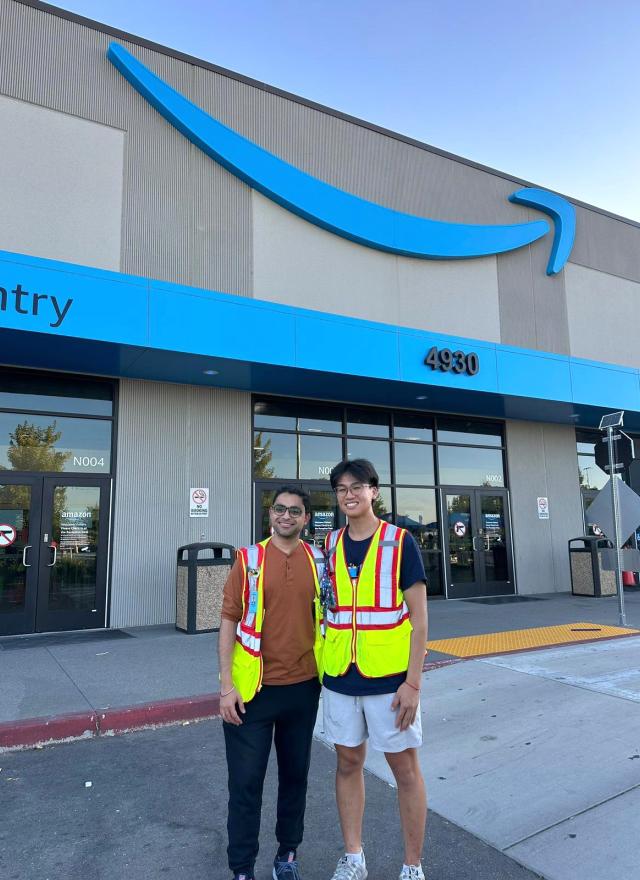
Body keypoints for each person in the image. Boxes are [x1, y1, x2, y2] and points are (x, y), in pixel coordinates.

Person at [322, 459, 429, 880]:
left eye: (357, 486)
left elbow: (420, 621)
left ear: (374, 491)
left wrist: (413, 684)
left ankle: (412, 866)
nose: (349, 494)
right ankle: (354, 858)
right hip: (340, 677)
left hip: (390, 682)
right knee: (347, 763)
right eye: (341, 488)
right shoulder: (329, 545)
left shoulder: (401, 543)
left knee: (404, 769)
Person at [219, 485, 325, 880]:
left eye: (294, 511)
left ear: (306, 518)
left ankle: (287, 856)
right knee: (245, 784)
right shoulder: (248, 560)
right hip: (253, 693)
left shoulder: (318, 559)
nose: (286, 516)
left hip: (303, 689)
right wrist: (225, 685)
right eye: (280, 509)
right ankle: (242, 868)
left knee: (295, 778)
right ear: (270, 514)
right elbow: (229, 618)